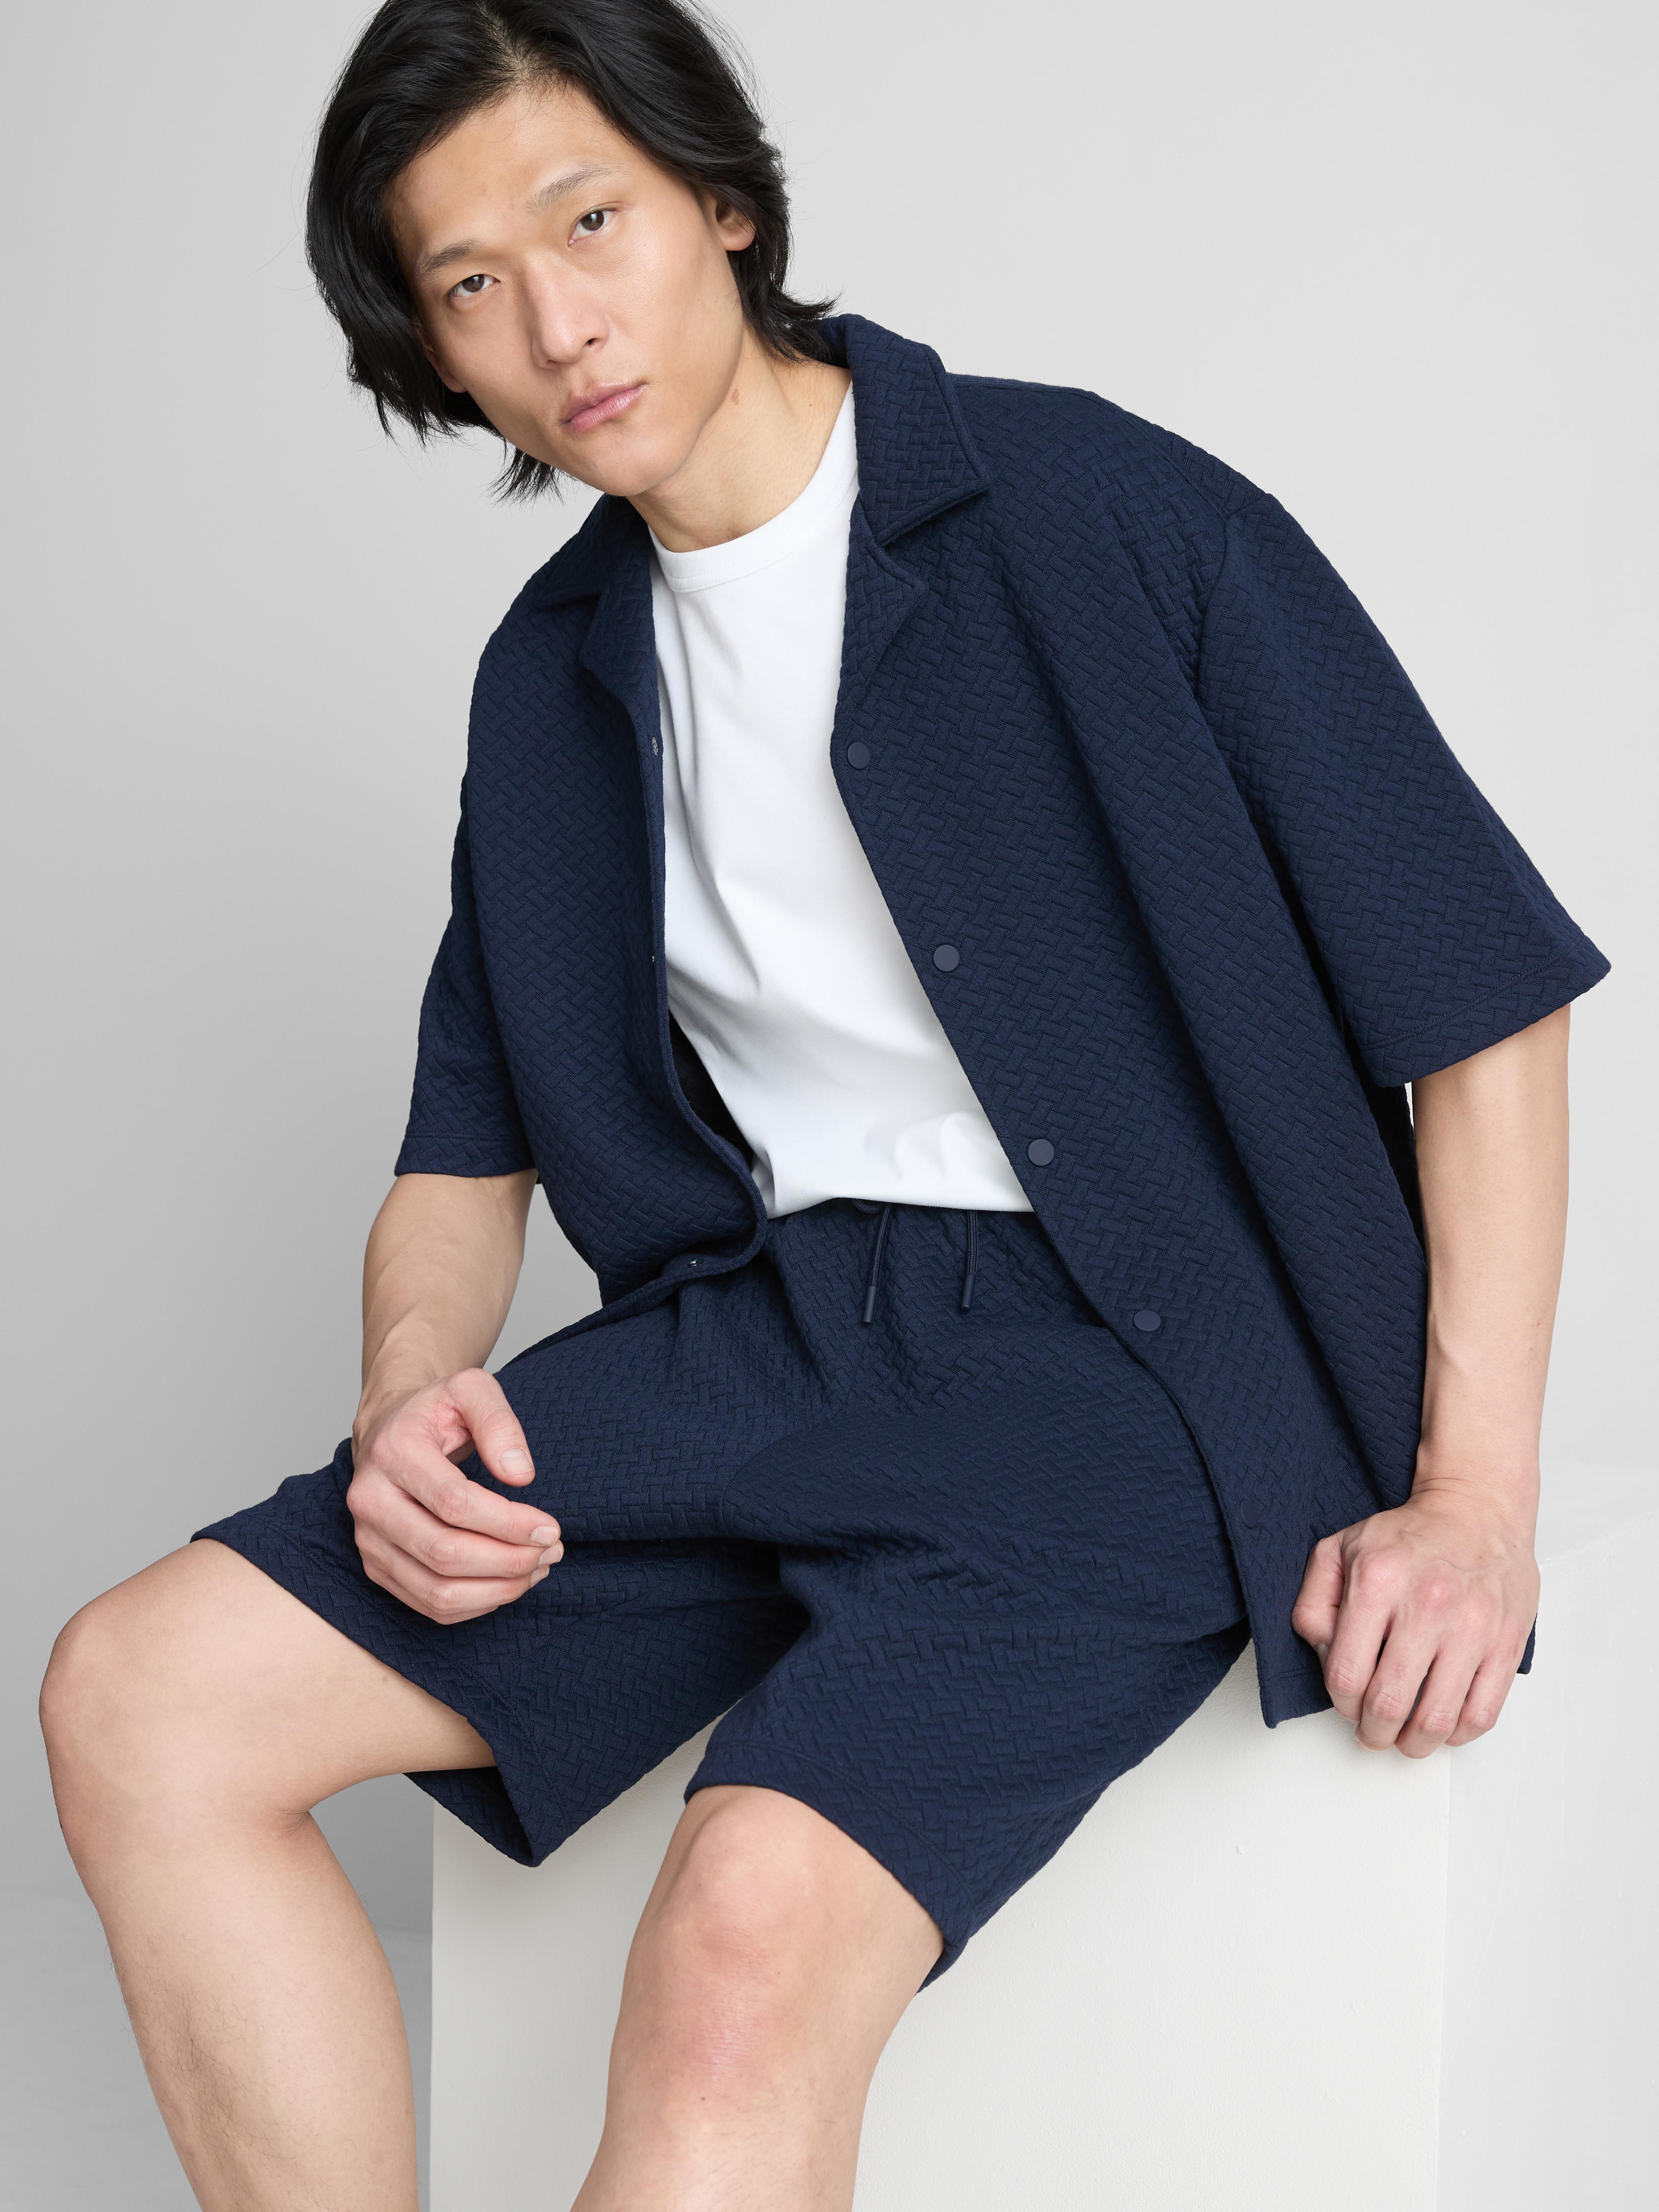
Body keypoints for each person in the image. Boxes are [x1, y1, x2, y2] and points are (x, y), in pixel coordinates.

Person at [39, 2, 1609, 2207]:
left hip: (1125, 1375)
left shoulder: (1095, 510)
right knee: (140, 1698)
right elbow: (461, 1153)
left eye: (590, 222)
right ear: (433, 353)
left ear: (722, 202)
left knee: (739, 1947)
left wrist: (1477, 1498)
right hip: (767, 1344)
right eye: (472, 282)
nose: (557, 325)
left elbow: (1484, 1004)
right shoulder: (554, 676)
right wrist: (407, 1394)